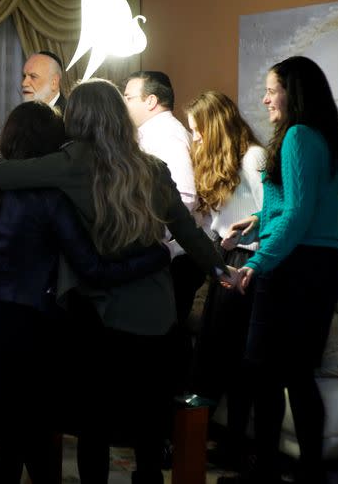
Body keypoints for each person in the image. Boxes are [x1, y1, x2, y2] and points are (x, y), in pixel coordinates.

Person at [0, 79, 238, 484]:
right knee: (150, 417)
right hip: (155, 307)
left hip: (99, 308)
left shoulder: (70, 163)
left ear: (76, 118)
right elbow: (188, 233)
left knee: (94, 423)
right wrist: (220, 270)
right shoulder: (152, 168)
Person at [0, 100, 171, 483]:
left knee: (19, 438)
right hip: (36, 326)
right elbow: (92, 269)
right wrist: (156, 256)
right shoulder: (51, 198)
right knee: (28, 436)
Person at [220, 56, 338, 484]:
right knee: (297, 375)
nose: (264, 99)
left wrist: (256, 262)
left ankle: (263, 474)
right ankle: (308, 474)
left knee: (263, 372)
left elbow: (298, 215)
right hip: (323, 266)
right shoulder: (326, 138)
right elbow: (304, 207)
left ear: (293, 92)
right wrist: (258, 221)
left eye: (272, 89)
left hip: (296, 268)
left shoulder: (297, 135)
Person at [185, 91, 265, 469]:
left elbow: (273, 212)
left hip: (250, 262)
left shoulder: (253, 157)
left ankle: (237, 445)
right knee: (212, 350)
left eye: (198, 131)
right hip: (223, 256)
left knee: (233, 355)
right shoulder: (219, 162)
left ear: (214, 127)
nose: (195, 139)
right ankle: (207, 442)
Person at [123, 70, 206, 418]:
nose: (124, 103)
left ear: (151, 101)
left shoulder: (167, 135)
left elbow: (184, 197)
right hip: (165, 255)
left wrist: (154, 239)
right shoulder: (151, 134)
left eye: (128, 96)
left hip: (174, 258)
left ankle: (165, 429)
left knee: (163, 343)